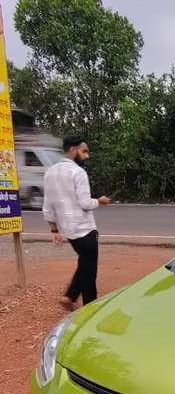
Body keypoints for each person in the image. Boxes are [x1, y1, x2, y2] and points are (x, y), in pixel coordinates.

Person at [43, 132, 111, 309]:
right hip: (85, 230)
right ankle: (72, 297)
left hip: (70, 233)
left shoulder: (50, 173)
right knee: (89, 270)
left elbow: (47, 206)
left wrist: (54, 231)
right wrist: (100, 201)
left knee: (86, 265)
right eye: (84, 151)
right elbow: (85, 203)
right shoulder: (78, 172)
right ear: (73, 150)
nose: (87, 156)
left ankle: (85, 302)